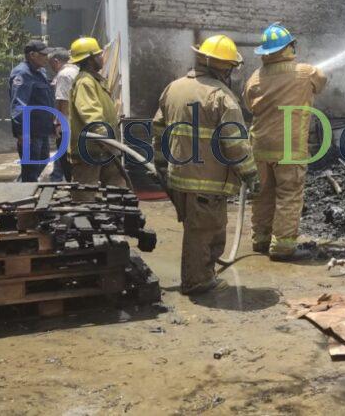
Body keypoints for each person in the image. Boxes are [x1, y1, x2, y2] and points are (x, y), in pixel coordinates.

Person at [152, 35, 258, 295]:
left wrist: (162, 166)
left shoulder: (173, 88)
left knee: (196, 229)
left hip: (179, 178)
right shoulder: (222, 98)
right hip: (207, 182)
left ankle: (201, 275)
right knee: (205, 232)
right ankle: (197, 281)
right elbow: (235, 144)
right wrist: (250, 174)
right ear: (223, 67)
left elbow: (158, 130)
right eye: (230, 67)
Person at [244, 24, 327, 261]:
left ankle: (260, 239)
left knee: (262, 195)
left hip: (260, 147)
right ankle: (282, 246)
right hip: (290, 148)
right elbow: (321, 80)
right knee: (288, 194)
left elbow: (249, 105)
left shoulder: (254, 78)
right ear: (289, 47)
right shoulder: (305, 72)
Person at [67, 36, 128, 190]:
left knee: (118, 191)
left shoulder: (95, 80)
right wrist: (104, 135)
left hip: (104, 149)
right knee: (85, 195)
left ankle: (117, 214)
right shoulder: (85, 82)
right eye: (99, 55)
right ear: (89, 59)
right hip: (90, 151)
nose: (102, 58)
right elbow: (90, 113)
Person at [9, 40, 55, 182]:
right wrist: (22, 133)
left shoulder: (39, 72)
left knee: (43, 160)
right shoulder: (22, 73)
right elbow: (18, 104)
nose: (47, 58)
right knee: (31, 171)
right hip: (30, 132)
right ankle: (23, 197)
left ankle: (21, 186)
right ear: (32, 55)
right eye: (43, 55)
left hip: (41, 130)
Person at [47, 48, 77, 182]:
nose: (50, 67)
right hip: (76, 124)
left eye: (50, 64)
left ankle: (73, 188)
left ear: (56, 61)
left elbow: (63, 101)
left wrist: (59, 124)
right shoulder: (77, 70)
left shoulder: (63, 75)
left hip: (66, 126)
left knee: (66, 161)